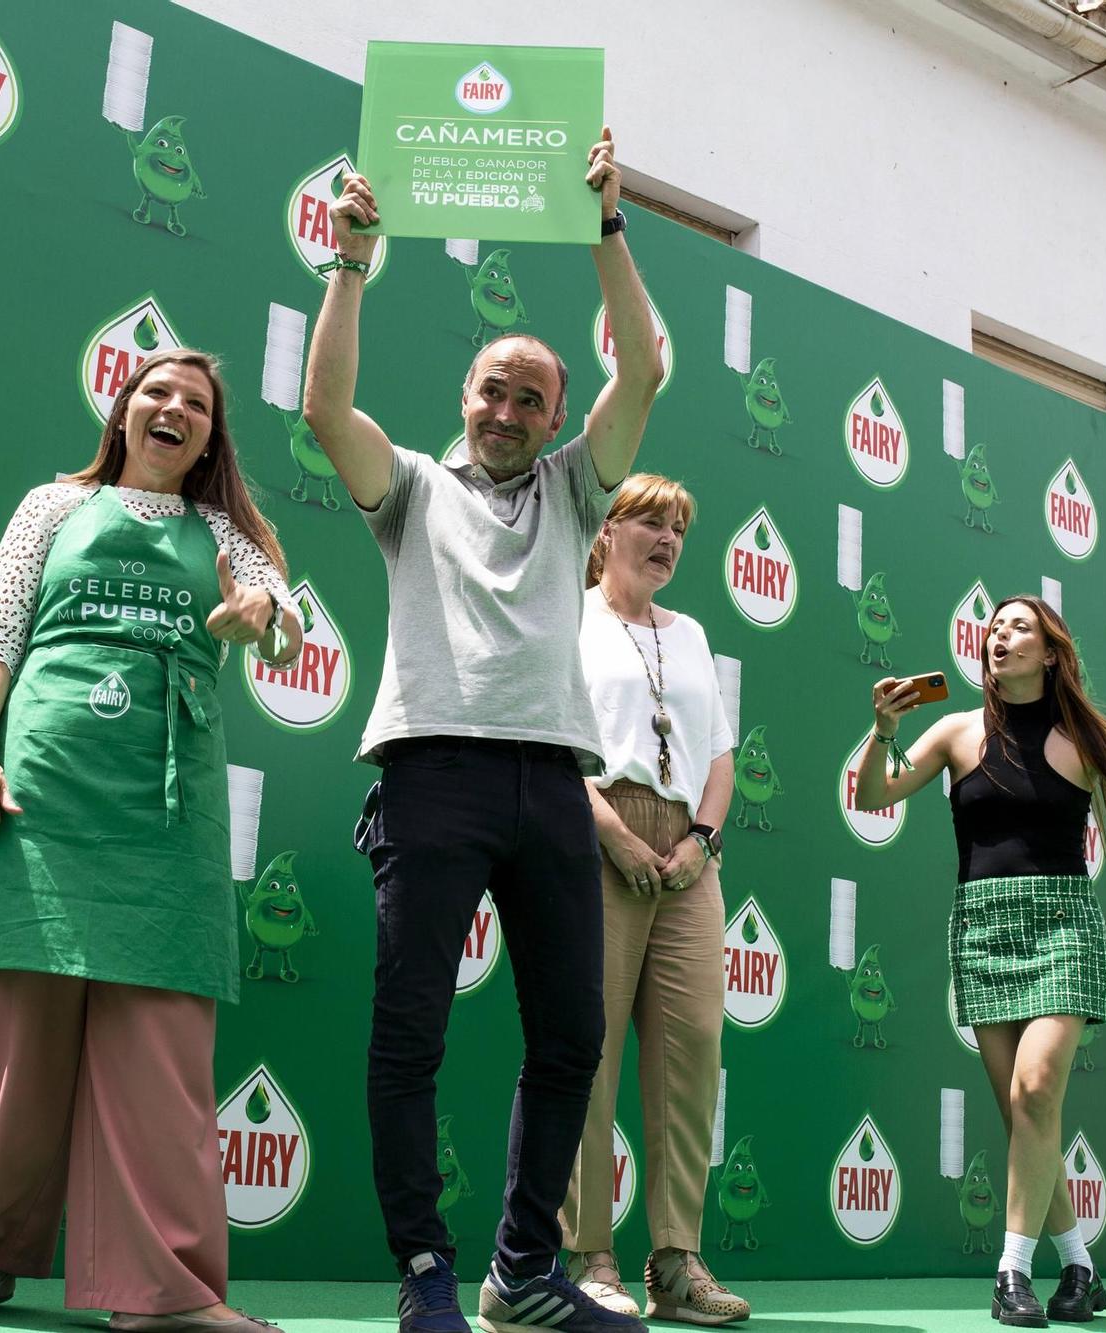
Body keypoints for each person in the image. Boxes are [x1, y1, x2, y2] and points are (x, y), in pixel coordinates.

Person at [301, 128, 663, 1333]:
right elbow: (322, 405)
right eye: (490, 389)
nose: (506, 408)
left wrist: (609, 223)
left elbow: (646, 370)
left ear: (557, 413)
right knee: (407, 1032)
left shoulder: (573, 490)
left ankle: (522, 1273)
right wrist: (349, 262)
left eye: (531, 396)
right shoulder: (408, 486)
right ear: (463, 398)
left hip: (551, 786)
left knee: (568, 1035)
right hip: (427, 774)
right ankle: (423, 1273)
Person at [0, 350, 303, 1326]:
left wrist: (260, 614)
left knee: (161, 1048)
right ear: (122, 411)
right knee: (21, 1037)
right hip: (46, 782)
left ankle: (163, 1293)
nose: (173, 410)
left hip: (167, 797)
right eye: (156, 394)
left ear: (211, 438)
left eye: (196, 405)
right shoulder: (49, 507)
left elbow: (284, 625)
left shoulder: (225, 529)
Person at [855, 596, 1106, 1329]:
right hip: (982, 927)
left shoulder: (1083, 732)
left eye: (1019, 627)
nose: (999, 635)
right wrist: (882, 731)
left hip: (1064, 925)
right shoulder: (955, 731)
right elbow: (873, 791)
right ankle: (1079, 1265)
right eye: (995, 627)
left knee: (1038, 1087)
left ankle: (1010, 1271)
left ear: (1049, 652)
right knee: (1022, 1114)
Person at [563, 474, 747, 1326]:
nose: (668, 537)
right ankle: (586, 1256)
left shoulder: (697, 632)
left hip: (689, 854)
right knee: (585, 1052)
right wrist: (618, 836)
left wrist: (699, 842)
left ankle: (676, 1263)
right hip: (595, 829)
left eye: (680, 525)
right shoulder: (570, 616)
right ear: (606, 531)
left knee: (692, 1049)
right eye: (651, 520)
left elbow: (719, 753)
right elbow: (556, 741)